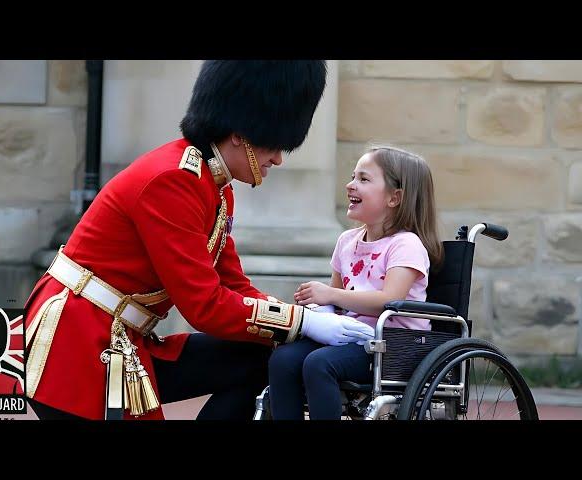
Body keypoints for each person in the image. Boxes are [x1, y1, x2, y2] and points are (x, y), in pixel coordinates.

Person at [24, 60, 373, 420]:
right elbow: (204, 306)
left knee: (255, 356)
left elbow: (233, 285)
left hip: (124, 339)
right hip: (78, 344)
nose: (279, 159)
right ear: (240, 132)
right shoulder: (173, 181)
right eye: (274, 143)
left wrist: (297, 322)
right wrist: (301, 322)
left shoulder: (215, 189)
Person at [268, 145, 444, 420]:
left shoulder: (406, 245)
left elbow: (389, 301)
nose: (350, 185)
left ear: (394, 198)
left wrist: (330, 295)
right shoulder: (346, 241)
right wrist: (315, 310)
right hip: (351, 338)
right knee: (284, 359)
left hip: (392, 346)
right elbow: (336, 304)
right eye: (353, 177)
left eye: (363, 179)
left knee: (319, 364)